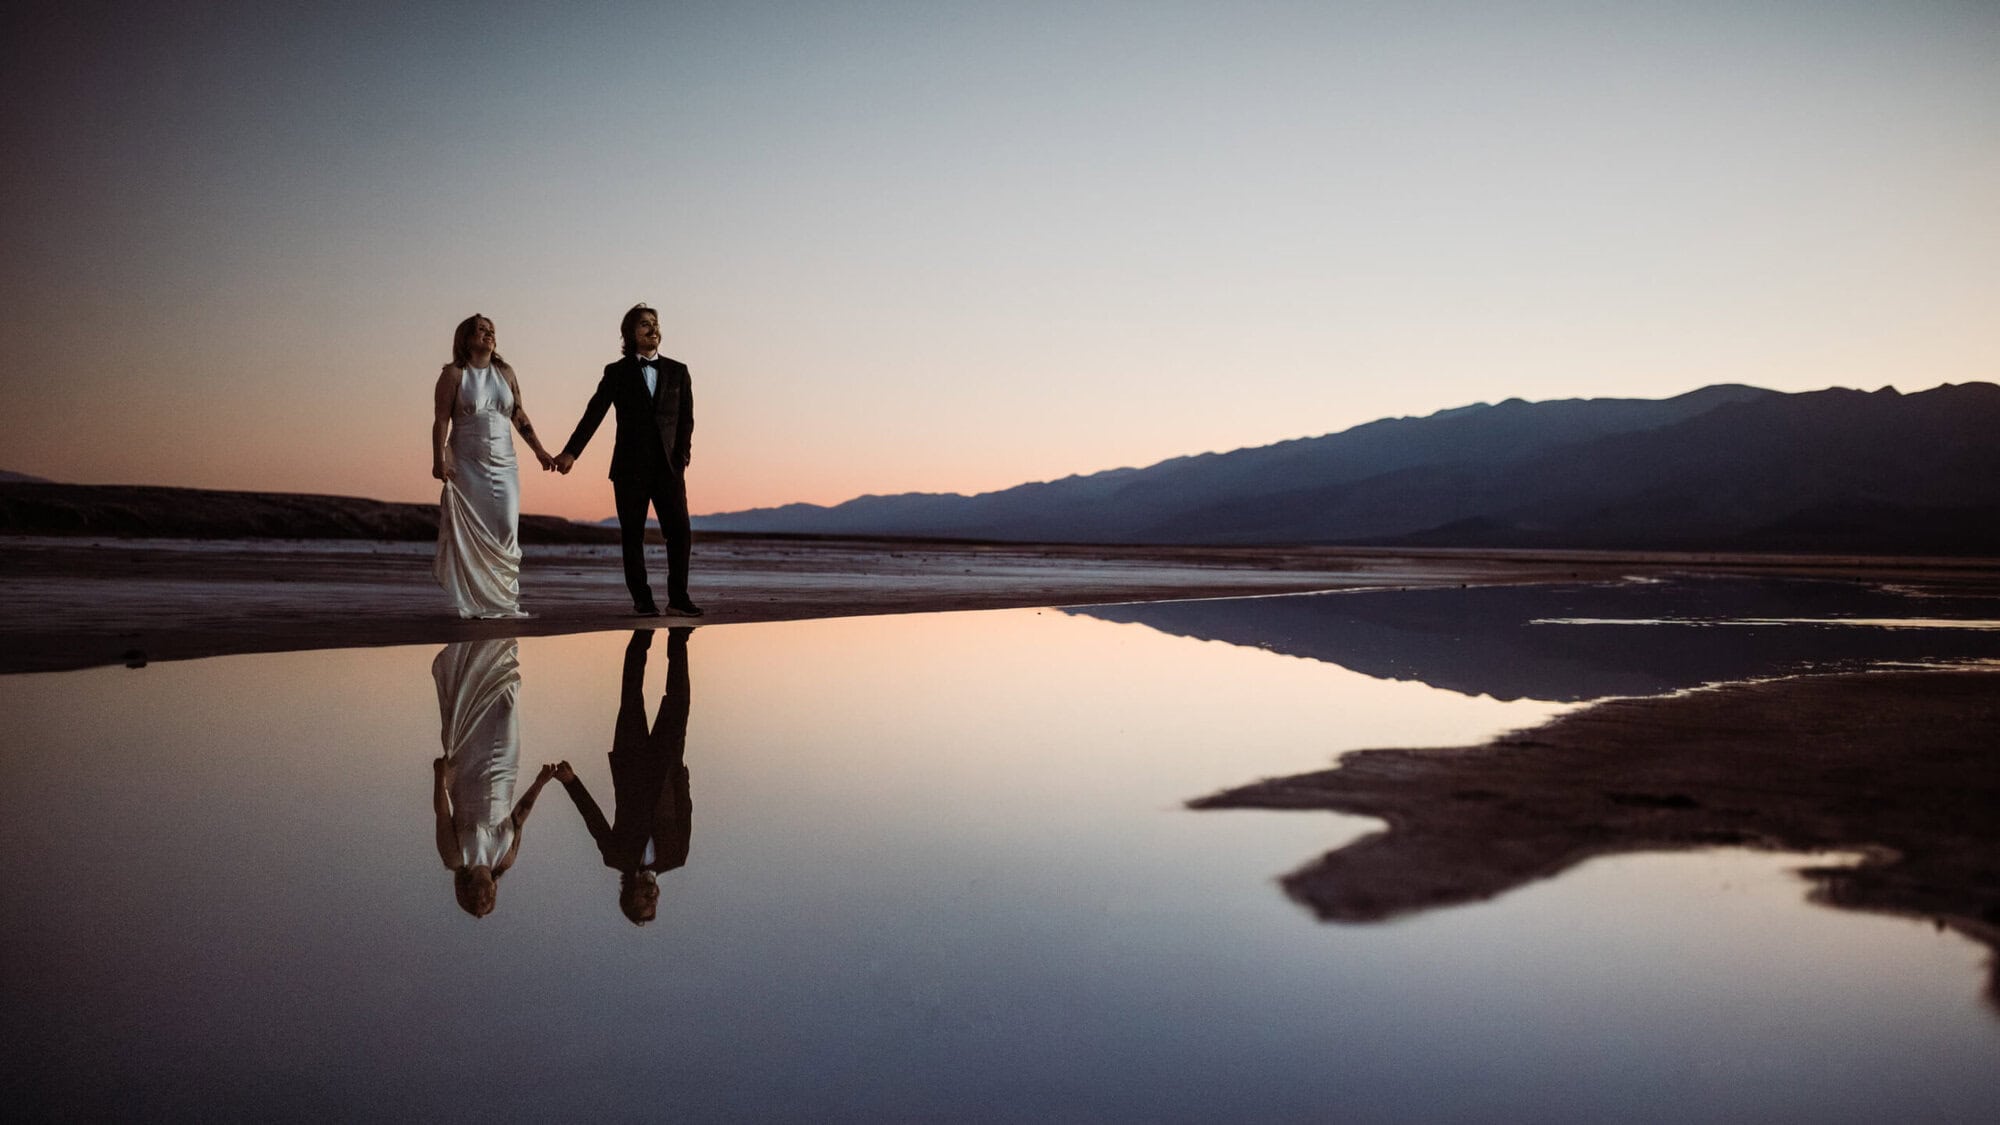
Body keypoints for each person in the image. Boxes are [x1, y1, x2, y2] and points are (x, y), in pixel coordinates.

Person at [552, 303, 701, 616]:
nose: (652, 328)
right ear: (630, 334)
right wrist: (571, 452)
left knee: (680, 532)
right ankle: (642, 600)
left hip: (669, 468)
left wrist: (681, 458)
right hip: (629, 468)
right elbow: (594, 413)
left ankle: (678, 599)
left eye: (655, 323)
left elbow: (686, 421)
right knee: (632, 535)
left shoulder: (678, 371)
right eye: (644, 324)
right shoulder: (617, 372)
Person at [552, 627, 694, 925]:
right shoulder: (676, 856)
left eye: (643, 902)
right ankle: (679, 637)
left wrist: (571, 783)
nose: (652, 897)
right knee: (678, 702)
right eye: (653, 903)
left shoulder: (616, 857)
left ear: (629, 895)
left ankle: (642, 635)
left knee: (631, 698)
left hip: (631, 765)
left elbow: (594, 821)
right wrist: (680, 775)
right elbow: (685, 811)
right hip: (666, 765)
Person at [431, 314, 557, 619]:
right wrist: (438, 460)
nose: (488, 334)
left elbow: (519, 415)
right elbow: (441, 420)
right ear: (465, 338)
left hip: (505, 463)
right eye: (481, 330)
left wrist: (539, 451)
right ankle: (477, 602)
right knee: (474, 530)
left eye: (491, 330)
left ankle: (503, 600)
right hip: (467, 463)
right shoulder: (454, 374)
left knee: (506, 528)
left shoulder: (505, 372)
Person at [431, 638, 556, 917]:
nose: (483, 896)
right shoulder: (506, 859)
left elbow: (442, 813)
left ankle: (479, 643)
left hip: (468, 773)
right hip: (504, 772)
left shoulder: (455, 859)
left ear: (465, 893)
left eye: (477, 901)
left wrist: (439, 776)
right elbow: (519, 817)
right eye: (488, 901)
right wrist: (540, 782)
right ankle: (501, 646)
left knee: (477, 712)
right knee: (507, 708)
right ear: (494, 893)